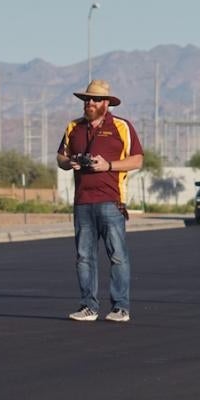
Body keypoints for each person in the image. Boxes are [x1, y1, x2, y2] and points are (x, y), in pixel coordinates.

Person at [56, 79, 143, 323]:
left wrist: (109, 165)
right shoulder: (74, 127)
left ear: (106, 103)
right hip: (82, 202)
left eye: (95, 100)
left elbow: (137, 160)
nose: (90, 103)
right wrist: (69, 162)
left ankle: (120, 307)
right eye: (86, 100)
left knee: (117, 255)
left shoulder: (122, 127)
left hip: (111, 201)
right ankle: (88, 306)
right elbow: (60, 157)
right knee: (84, 256)